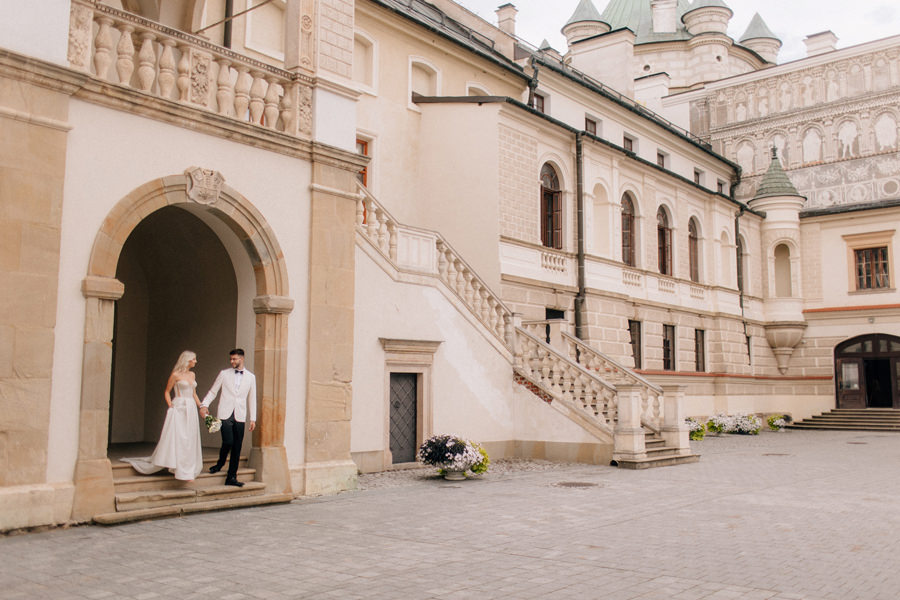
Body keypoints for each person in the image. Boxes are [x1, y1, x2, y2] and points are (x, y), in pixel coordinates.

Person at [121, 351, 204, 481]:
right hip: (179, 407)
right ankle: (179, 469)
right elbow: (167, 391)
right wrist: (171, 405)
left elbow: (194, 393)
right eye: (194, 359)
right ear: (187, 360)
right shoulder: (175, 375)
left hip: (191, 407)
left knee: (189, 438)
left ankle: (188, 468)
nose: (196, 361)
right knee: (179, 437)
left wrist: (201, 406)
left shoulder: (192, 374)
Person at [200, 348, 256, 487]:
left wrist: (253, 418)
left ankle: (231, 477)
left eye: (234, 359)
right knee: (228, 441)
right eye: (231, 359)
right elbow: (213, 391)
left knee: (237, 447)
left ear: (241, 359)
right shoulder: (224, 374)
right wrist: (204, 404)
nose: (232, 361)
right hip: (225, 413)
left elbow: (252, 398)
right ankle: (220, 463)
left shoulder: (251, 377)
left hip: (240, 415)